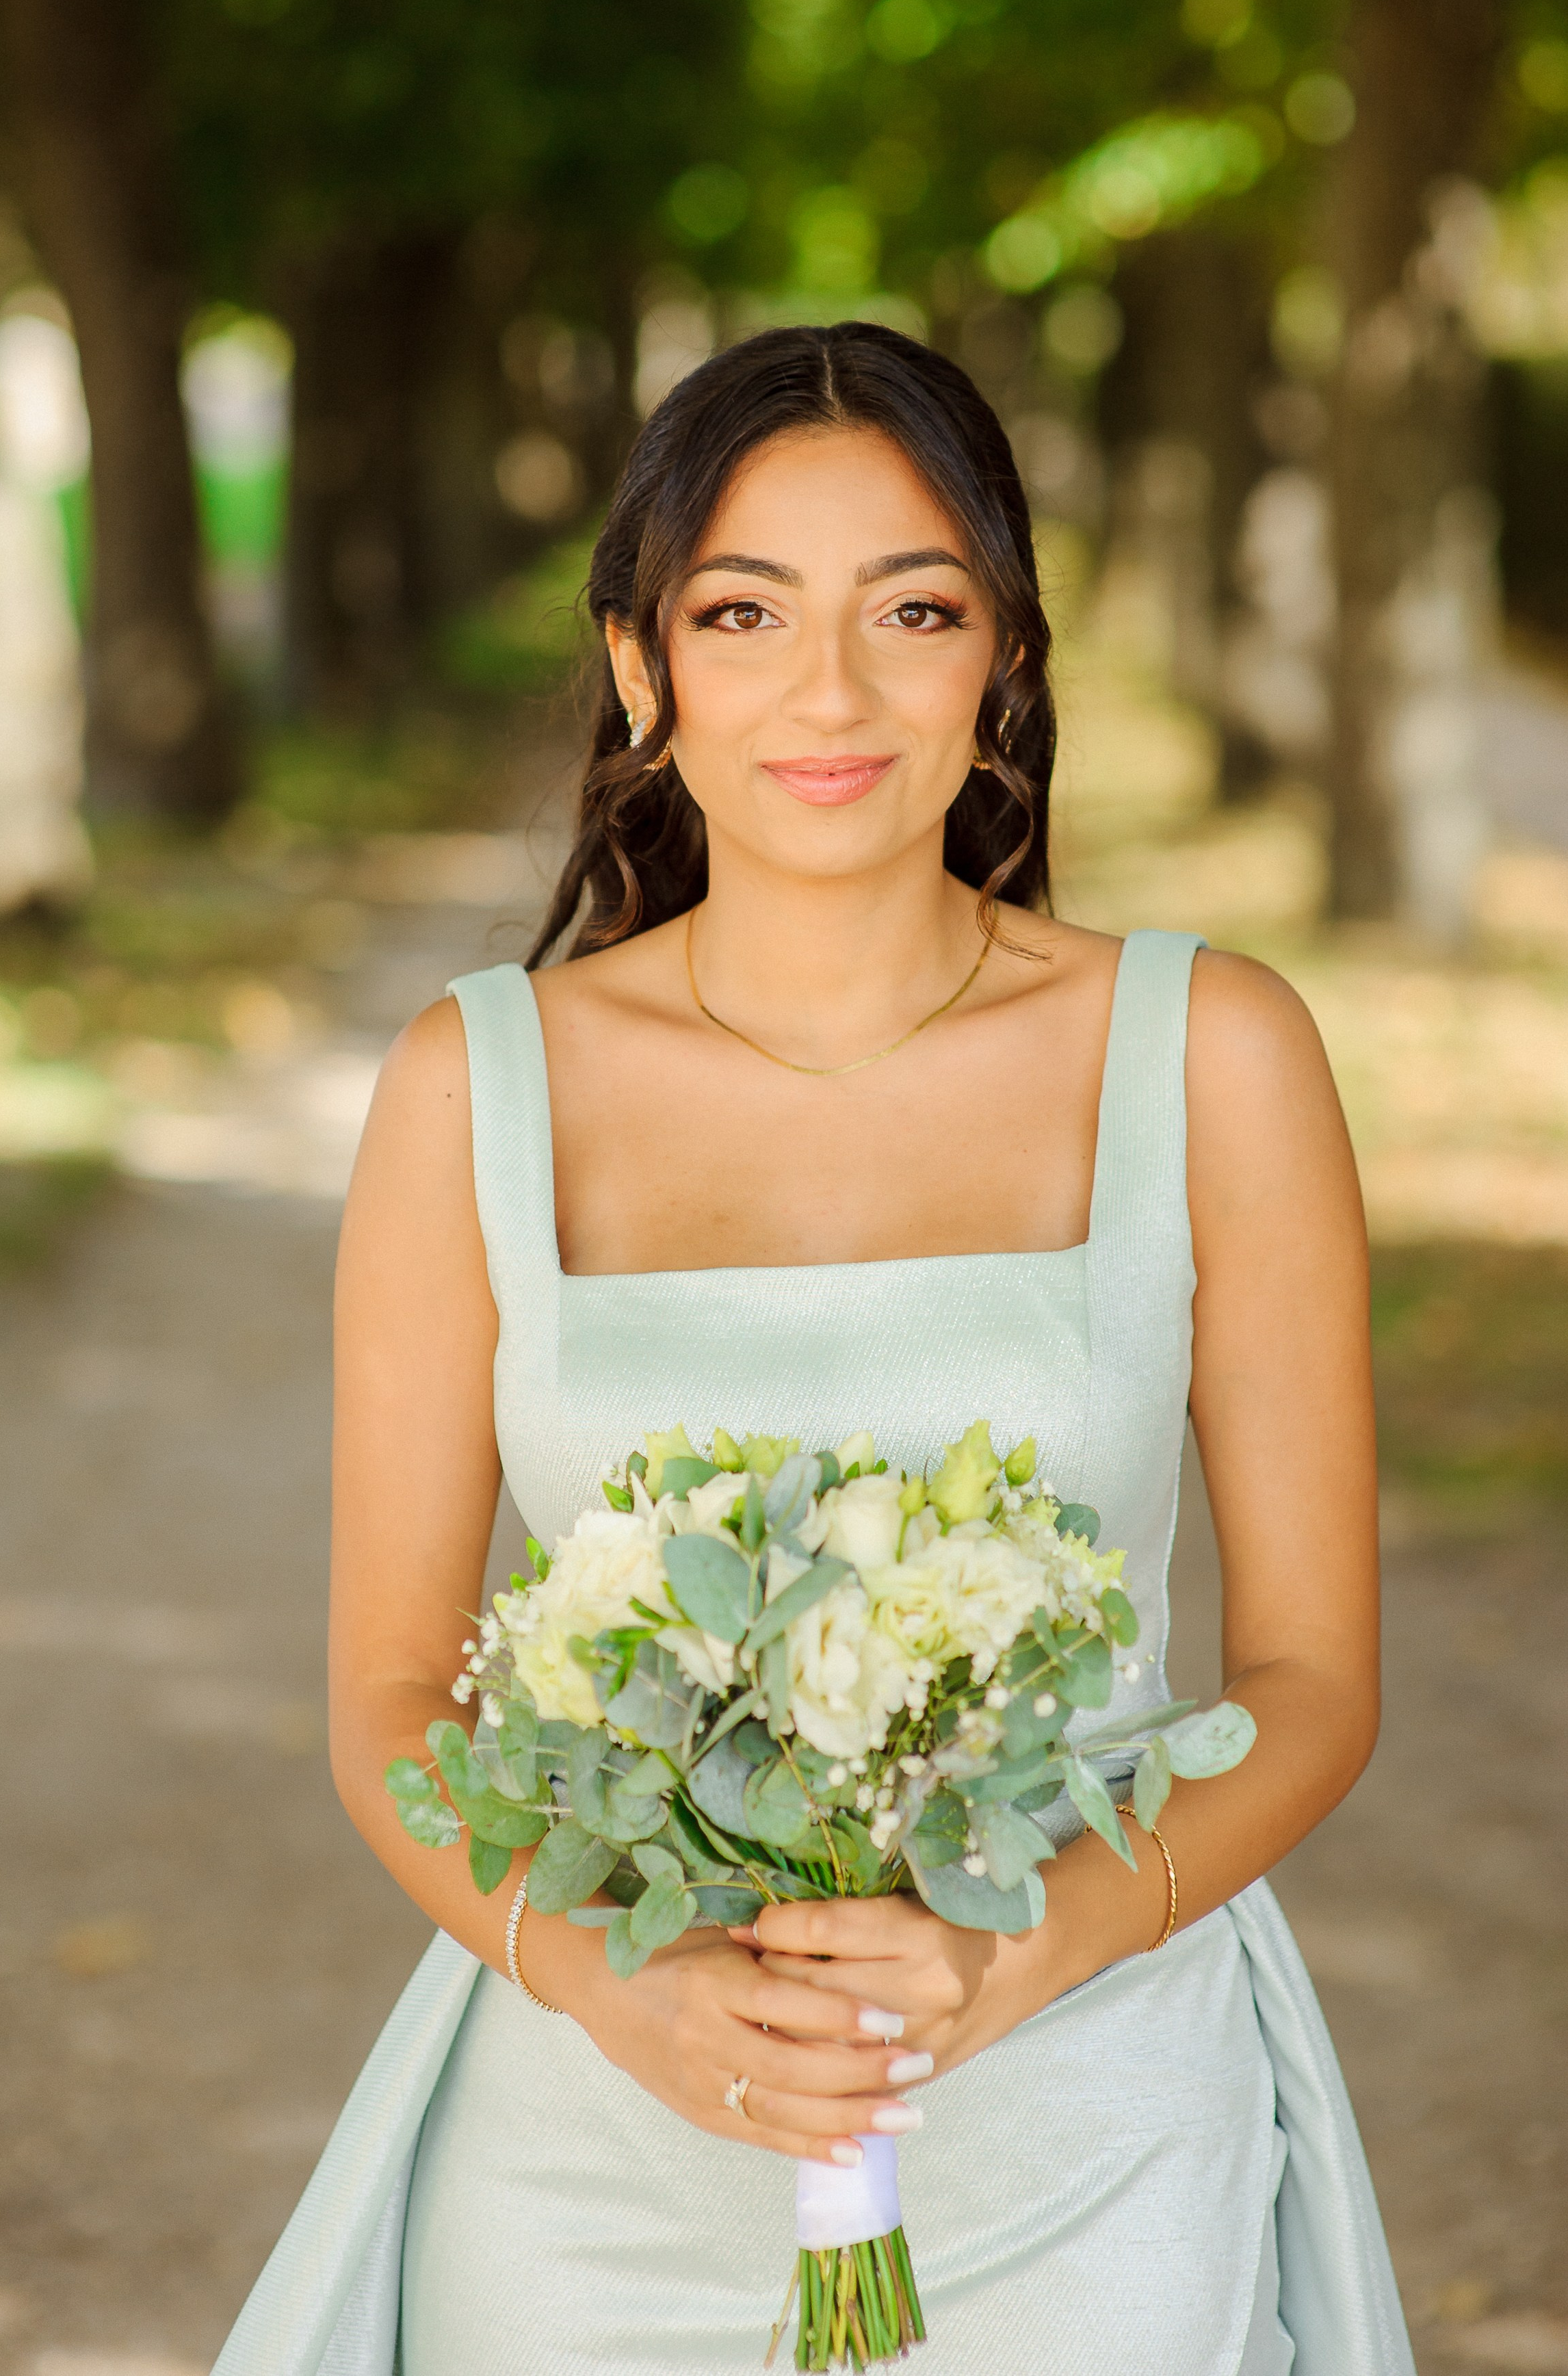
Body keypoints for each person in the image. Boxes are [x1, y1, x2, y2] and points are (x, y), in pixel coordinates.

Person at [213, 324, 1416, 2376]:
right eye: (745, 612)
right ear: (638, 666)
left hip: (1093, 2120)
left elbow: (1309, 1683)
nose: (832, 692)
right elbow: (394, 1697)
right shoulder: (471, 1091)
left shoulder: (1213, 1056)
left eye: (915, 609)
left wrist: (1039, 1941)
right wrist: (615, 1987)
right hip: (603, 2144)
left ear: (1004, 660)